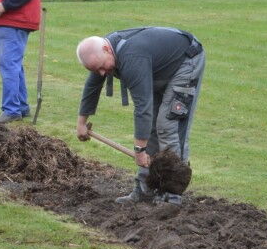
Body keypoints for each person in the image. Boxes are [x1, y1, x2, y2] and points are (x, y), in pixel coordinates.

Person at [75, 27, 205, 205]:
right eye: (96, 70)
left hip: (185, 62)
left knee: (167, 125)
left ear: (106, 49)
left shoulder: (132, 58)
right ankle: (145, 188)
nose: (102, 74)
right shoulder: (102, 53)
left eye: (101, 68)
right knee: (151, 125)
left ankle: (172, 193)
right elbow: (92, 87)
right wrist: (81, 123)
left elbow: (143, 107)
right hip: (158, 67)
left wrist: (139, 150)